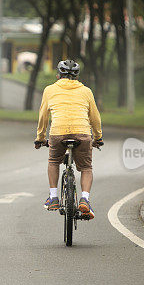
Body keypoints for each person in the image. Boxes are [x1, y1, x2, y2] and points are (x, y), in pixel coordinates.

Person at [34, 59, 103, 219]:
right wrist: (98, 137)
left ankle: (53, 197)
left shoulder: (49, 90)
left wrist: (40, 138)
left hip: (58, 133)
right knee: (86, 168)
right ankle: (84, 199)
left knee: (53, 161)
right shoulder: (86, 91)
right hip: (82, 133)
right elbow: (95, 118)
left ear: (58, 75)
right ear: (77, 76)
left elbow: (43, 116)